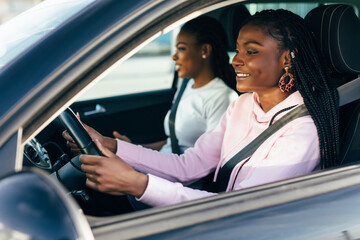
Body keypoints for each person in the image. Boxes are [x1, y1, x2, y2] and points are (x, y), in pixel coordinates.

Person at [63, 9, 339, 208]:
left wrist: (139, 184)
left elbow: (239, 208)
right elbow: (189, 166)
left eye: (251, 51)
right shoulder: (243, 105)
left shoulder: (302, 130)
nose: (236, 61)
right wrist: (112, 146)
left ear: (288, 59)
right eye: (238, 50)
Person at [114, 16, 238, 154]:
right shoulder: (187, 84)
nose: (174, 56)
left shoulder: (222, 97)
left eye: (181, 48)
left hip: (180, 173)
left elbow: (206, 163)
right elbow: (173, 144)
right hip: (167, 166)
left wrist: (136, 162)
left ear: (205, 50)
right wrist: (134, 147)